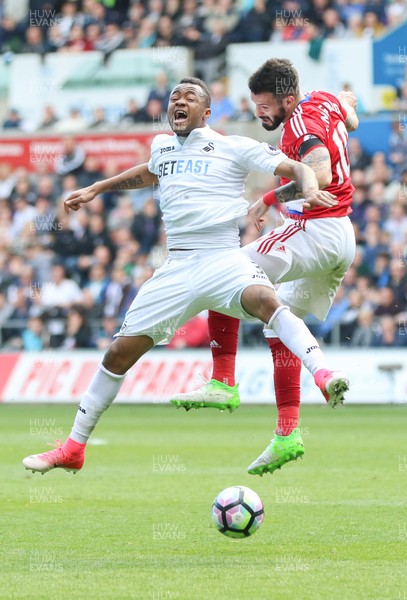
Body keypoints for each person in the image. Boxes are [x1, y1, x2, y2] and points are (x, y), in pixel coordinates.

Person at [23, 76, 346, 475]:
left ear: (206, 111)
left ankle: (323, 372)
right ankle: (73, 448)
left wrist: (310, 185)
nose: (179, 100)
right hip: (176, 268)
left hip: (221, 257)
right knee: (118, 353)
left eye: (189, 96)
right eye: (174, 95)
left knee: (267, 302)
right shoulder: (161, 146)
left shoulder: (232, 146)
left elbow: (297, 167)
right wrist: (96, 188)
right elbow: (149, 172)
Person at [169, 59, 358, 477]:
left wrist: (270, 198)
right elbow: (351, 106)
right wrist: (342, 117)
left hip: (314, 228)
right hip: (343, 235)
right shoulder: (324, 101)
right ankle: (288, 433)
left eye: (265, 106)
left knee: (225, 270)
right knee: (276, 328)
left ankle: (222, 381)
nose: (260, 113)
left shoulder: (300, 125)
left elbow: (321, 173)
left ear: (287, 100)